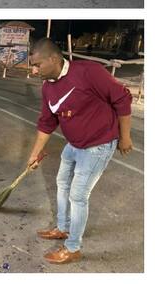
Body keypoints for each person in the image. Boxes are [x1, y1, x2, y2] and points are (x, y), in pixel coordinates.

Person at [26, 38, 133, 264]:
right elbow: (47, 123)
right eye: (32, 65)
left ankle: (73, 247)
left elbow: (122, 99)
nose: (34, 70)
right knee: (62, 183)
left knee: (78, 196)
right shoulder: (48, 87)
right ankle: (63, 228)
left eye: (37, 65)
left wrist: (125, 137)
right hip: (74, 144)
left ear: (54, 59)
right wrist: (35, 154)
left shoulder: (89, 72)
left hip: (98, 145)